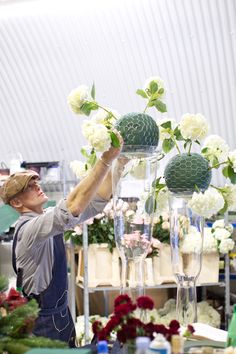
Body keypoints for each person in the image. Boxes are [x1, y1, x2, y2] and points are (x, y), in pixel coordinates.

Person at [0, 139, 123, 347]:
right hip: (42, 326)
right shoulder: (29, 229)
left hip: (62, 318)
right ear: (17, 203)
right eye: (29, 186)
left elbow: (96, 201)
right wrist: (104, 160)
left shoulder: (47, 219)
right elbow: (73, 206)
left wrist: (121, 162)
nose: (37, 186)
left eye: (36, 181)